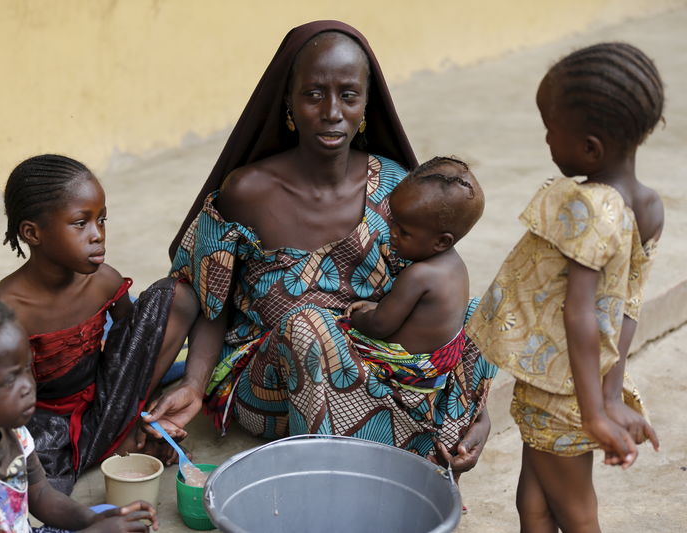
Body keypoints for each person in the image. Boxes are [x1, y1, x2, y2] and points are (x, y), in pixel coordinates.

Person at [144, 21, 497, 477]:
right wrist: (194, 382)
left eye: (348, 95)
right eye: (313, 94)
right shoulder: (248, 191)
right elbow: (208, 300)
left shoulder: (395, 189)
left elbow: (439, 298)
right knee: (308, 326)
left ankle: (448, 437)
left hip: (379, 368)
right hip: (273, 379)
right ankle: (347, 476)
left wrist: (480, 414)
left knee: (480, 313)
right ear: (288, 102)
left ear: (366, 105)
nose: (332, 111)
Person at [467, 42, 663, 531]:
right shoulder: (648, 206)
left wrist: (597, 415)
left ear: (591, 147)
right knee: (533, 505)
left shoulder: (591, 208)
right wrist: (609, 395)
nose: (547, 141)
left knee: (577, 515)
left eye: (550, 130)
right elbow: (627, 306)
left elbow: (580, 313)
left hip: (562, 395)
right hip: (581, 387)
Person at [0, 154, 198, 493]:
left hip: (106, 396)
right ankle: (122, 440)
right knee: (34, 478)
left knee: (177, 299)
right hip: (45, 419)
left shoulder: (103, 281)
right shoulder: (9, 309)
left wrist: (136, 401)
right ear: (32, 233)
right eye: (80, 223)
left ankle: (130, 428)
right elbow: (11, 403)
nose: (97, 235)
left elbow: (135, 353)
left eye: (102, 220)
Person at [0, 290, 158, 532]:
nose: (27, 386)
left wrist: (93, 521)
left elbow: (41, 494)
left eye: (26, 369)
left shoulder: (10, 427)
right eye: (9, 380)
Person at [343, 156, 484, 400]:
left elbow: (379, 326)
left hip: (410, 370)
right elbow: (417, 315)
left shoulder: (419, 274)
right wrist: (378, 307)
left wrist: (356, 318)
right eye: (393, 223)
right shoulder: (454, 266)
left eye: (404, 231)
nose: (392, 233)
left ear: (441, 241)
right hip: (438, 366)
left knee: (328, 329)